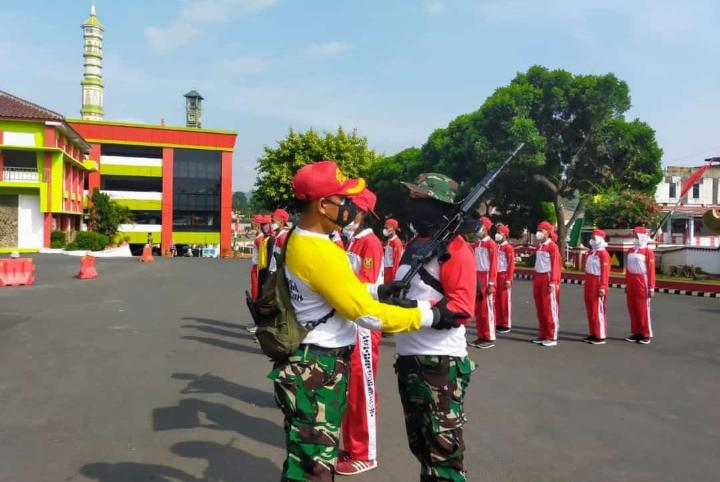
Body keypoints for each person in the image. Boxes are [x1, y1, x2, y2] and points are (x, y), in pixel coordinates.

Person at [269, 161, 466, 482]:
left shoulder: (297, 238)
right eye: (343, 200)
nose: (350, 208)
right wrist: (429, 314)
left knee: (306, 456)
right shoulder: (321, 251)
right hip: (317, 367)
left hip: (305, 363)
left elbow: (335, 290)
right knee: (313, 466)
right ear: (322, 205)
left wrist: (377, 288)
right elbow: (365, 313)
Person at [387, 172, 477, 482]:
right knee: (422, 448)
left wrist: (415, 313)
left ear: (438, 205)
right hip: (411, 361)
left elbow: (462, 308)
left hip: (439, 365)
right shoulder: (416, 243)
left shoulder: (457, 249)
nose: (412, 205)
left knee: (444, 453)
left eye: (419, 199)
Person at [337, 188, 384, 476]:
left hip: (364, 326)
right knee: (348, 390)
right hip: (349, 322)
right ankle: (352, 446)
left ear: (361, 214)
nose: (344, 212)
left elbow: (364, 284)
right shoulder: (350, 242)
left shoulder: (370, 244)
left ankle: (366, 453)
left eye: (349, 208)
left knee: (361, 391)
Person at [469, 216, 498, 349]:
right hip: (477, 276)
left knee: (487, 309)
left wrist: (492, 283)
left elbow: (494, 265)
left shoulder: (491, 244)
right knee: (479, 310)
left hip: (486, 276)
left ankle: (489, 337)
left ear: (486, 228)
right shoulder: (478, 243)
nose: (478, 229)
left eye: (480, 226)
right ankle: (481, 336)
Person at [532, 220, 561, 347]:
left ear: (548, 233)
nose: (538, 233)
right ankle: (543, 334)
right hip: (538, 277)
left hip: (548, 278)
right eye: (538, 230)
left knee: (549, 309)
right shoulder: (539, 246)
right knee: (540, 308)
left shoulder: (552, 247)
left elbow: (556, 266)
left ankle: (552, 336)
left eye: (541, 230)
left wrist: (553, 282)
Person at [625, 226, 655, 344]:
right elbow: (628, 269)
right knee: (632, 307)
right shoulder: (631, 250)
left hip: (642, 280)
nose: (634, 237)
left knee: (642, 309)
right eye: (634, 235)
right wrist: (627, 284)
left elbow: (651, 270)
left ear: (642, 236)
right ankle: (636, 332)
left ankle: (645, 334)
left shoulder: (648, 252)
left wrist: (651, 287)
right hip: (631, 280)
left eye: (636, 235)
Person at [584, 229, 610, 344]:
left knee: (598, 309)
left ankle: (600, 335)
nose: (592, 240)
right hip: (589, 281)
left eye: (594, 238)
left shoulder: (603, 254)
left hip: (598, 282)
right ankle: (593, 333)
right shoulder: (591, 252)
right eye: (592, 238)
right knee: (590, 309)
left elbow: (605, 272)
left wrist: (603, 287)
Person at [495, 223, 515, 333]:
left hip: (504, 275)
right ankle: (498, 322)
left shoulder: (508, 248)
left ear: (505, 236)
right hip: (496, 274)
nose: (497, 235)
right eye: (497, 232)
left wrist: (509, 279)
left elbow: (511, 264)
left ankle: (505, 324)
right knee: (497, 300)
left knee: (504, 301)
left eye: (499, 233)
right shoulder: (496, 246)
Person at [382, 218, 403, 284]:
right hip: (385, 269)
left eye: (387, 228)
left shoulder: (396, 242)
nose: (385, 230)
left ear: (393, 228)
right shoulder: (389, 240)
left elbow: (397, 261)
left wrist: (394, 277)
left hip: (391, 271)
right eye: (385, 228)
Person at [250, 214, 264, 300]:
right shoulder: (259, 237)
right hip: (256, 266)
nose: (251, 223)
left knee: (256, 285)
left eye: (253, 221)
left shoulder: (260, 239)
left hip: (258, 266)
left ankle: (256, 301)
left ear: (257, 224)